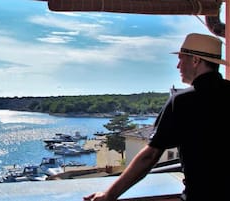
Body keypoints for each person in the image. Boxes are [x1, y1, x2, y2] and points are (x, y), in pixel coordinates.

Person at [83, 33, 230, 201]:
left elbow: (150, 156)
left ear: (196, 61)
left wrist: (109, 195)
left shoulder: (183, 101)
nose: (177, 66)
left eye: (181, 59)